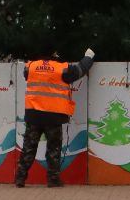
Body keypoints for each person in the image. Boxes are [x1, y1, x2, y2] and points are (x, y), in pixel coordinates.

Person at [14, 46, 96, 188]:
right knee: (54, 149)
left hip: (34, 114)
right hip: (53, 115)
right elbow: (79, 71)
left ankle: (20, 178)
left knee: (29, 147)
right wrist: (88, 57)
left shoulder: (31, 66)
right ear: (54, 53)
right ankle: (53, 179)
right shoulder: (61, 68)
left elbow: (26, 74)